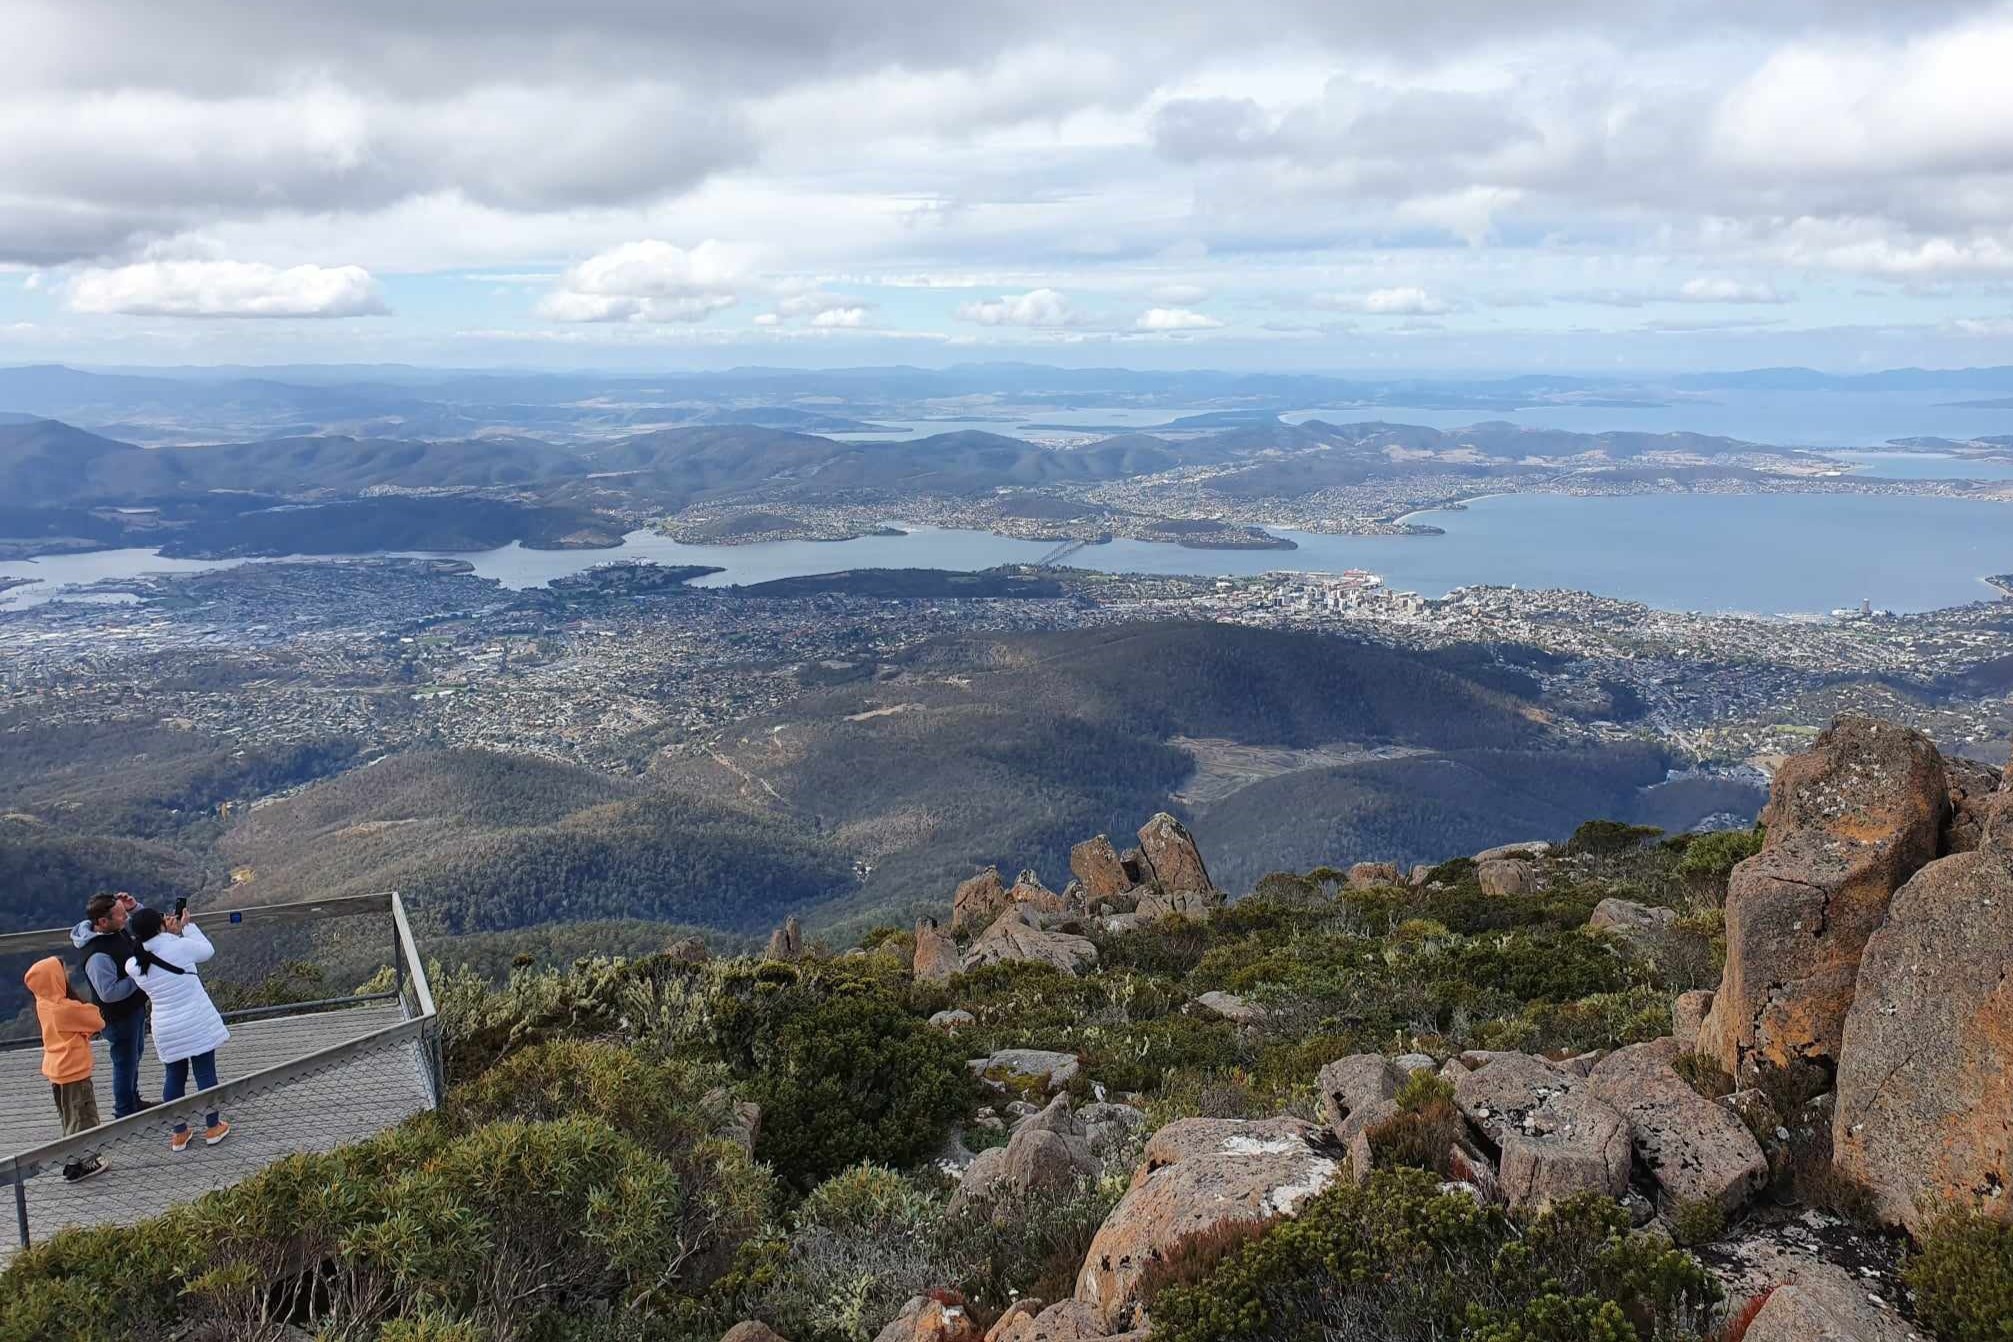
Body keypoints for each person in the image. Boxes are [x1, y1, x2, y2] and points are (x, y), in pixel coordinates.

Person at [123, 908, 232, 1152]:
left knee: (174, 1077)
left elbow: (152, 953)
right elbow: (207, 951)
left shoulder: (133, 964)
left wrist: (168, 934)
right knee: (205, 1074)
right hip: (195, 1020)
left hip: (166, 1026)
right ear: (160, 925)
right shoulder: (179, 946)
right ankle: (213, 1127)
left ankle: (179, 1134)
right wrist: (184, 928)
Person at [24, 957, 110, 1181]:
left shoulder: (43, 1003)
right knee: (84, 1116)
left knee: (69, 1117)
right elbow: (97, 1020)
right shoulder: (64, 1009)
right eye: (63, 971)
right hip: (74, 1069)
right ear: (55, 978)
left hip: (56, 1069)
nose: (68, 973)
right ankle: (81, 1164)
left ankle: (73, 1160)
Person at [69, 891, 153, 1119]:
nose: (125, 918)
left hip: (133, 1009)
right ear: (103, 922)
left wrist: (134, 907)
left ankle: (133, 1101)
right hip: (118, 1017)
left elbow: (147, 926)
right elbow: (109, 993)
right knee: (124, 1063)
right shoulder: (97, 955)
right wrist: (139, 976)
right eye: (120, 915)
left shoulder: (115, 931)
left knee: (134, 1055)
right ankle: (124, 1113)